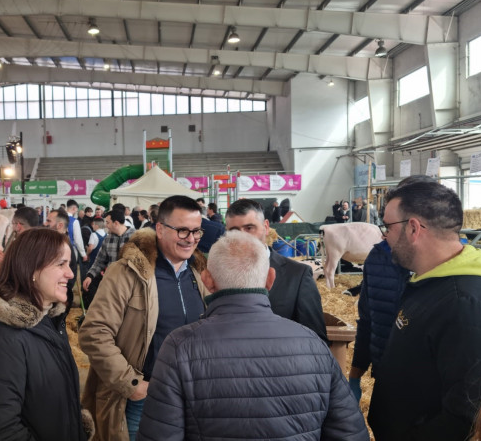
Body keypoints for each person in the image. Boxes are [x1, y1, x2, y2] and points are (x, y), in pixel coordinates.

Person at [136, 231, 369, 441]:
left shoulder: (179, 346)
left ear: (207, 280)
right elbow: (350, 433)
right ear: (270, 279)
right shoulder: (312, 343)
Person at [79, 195, 210, 441]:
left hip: (192, 397)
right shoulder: (127, 273)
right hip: (144, 399)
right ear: (160, 229)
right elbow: (94, 333)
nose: (191, 239)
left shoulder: (199, 272)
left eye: (196, 231)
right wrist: (132, 384)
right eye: (182, 231)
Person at [367, 180, 481, 440]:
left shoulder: (464, 304)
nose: (384, 236)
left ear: (413, 228)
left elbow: (466, 413)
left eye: (387, 226)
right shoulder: (427, 281)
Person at [0, 229, 93, 440]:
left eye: (69, 264)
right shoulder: (6, 339)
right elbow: (2, 431)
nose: (70, 273)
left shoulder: (49, 320)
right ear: (31, 268)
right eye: (61, 264)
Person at [347, 175, 434, 400]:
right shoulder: (377, 257)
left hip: (435, 388)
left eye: (390, 224)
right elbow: (367, 320)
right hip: (386, 376)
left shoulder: (453, 271)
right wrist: (355, 376)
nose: (385, 232)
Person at [225, 199, 328, 342]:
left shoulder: (297, 275)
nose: (242, 237)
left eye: (249, 228)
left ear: (266, 227)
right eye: (234, 231)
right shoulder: (220, 273)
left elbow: (316, 339)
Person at [82, 208, 135, 295]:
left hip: (129, 287)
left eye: (107, 222)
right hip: (111, 284)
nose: (106, 225)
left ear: (116, 223)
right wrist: (90, 276)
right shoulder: (108, 239)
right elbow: (100, 261)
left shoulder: (135, 237)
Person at [45, 209, 79, 313]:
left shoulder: (62, 246)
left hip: (59, 295)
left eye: (49, 221)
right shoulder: (57, 243)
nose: (45, 224)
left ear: (59, 225)